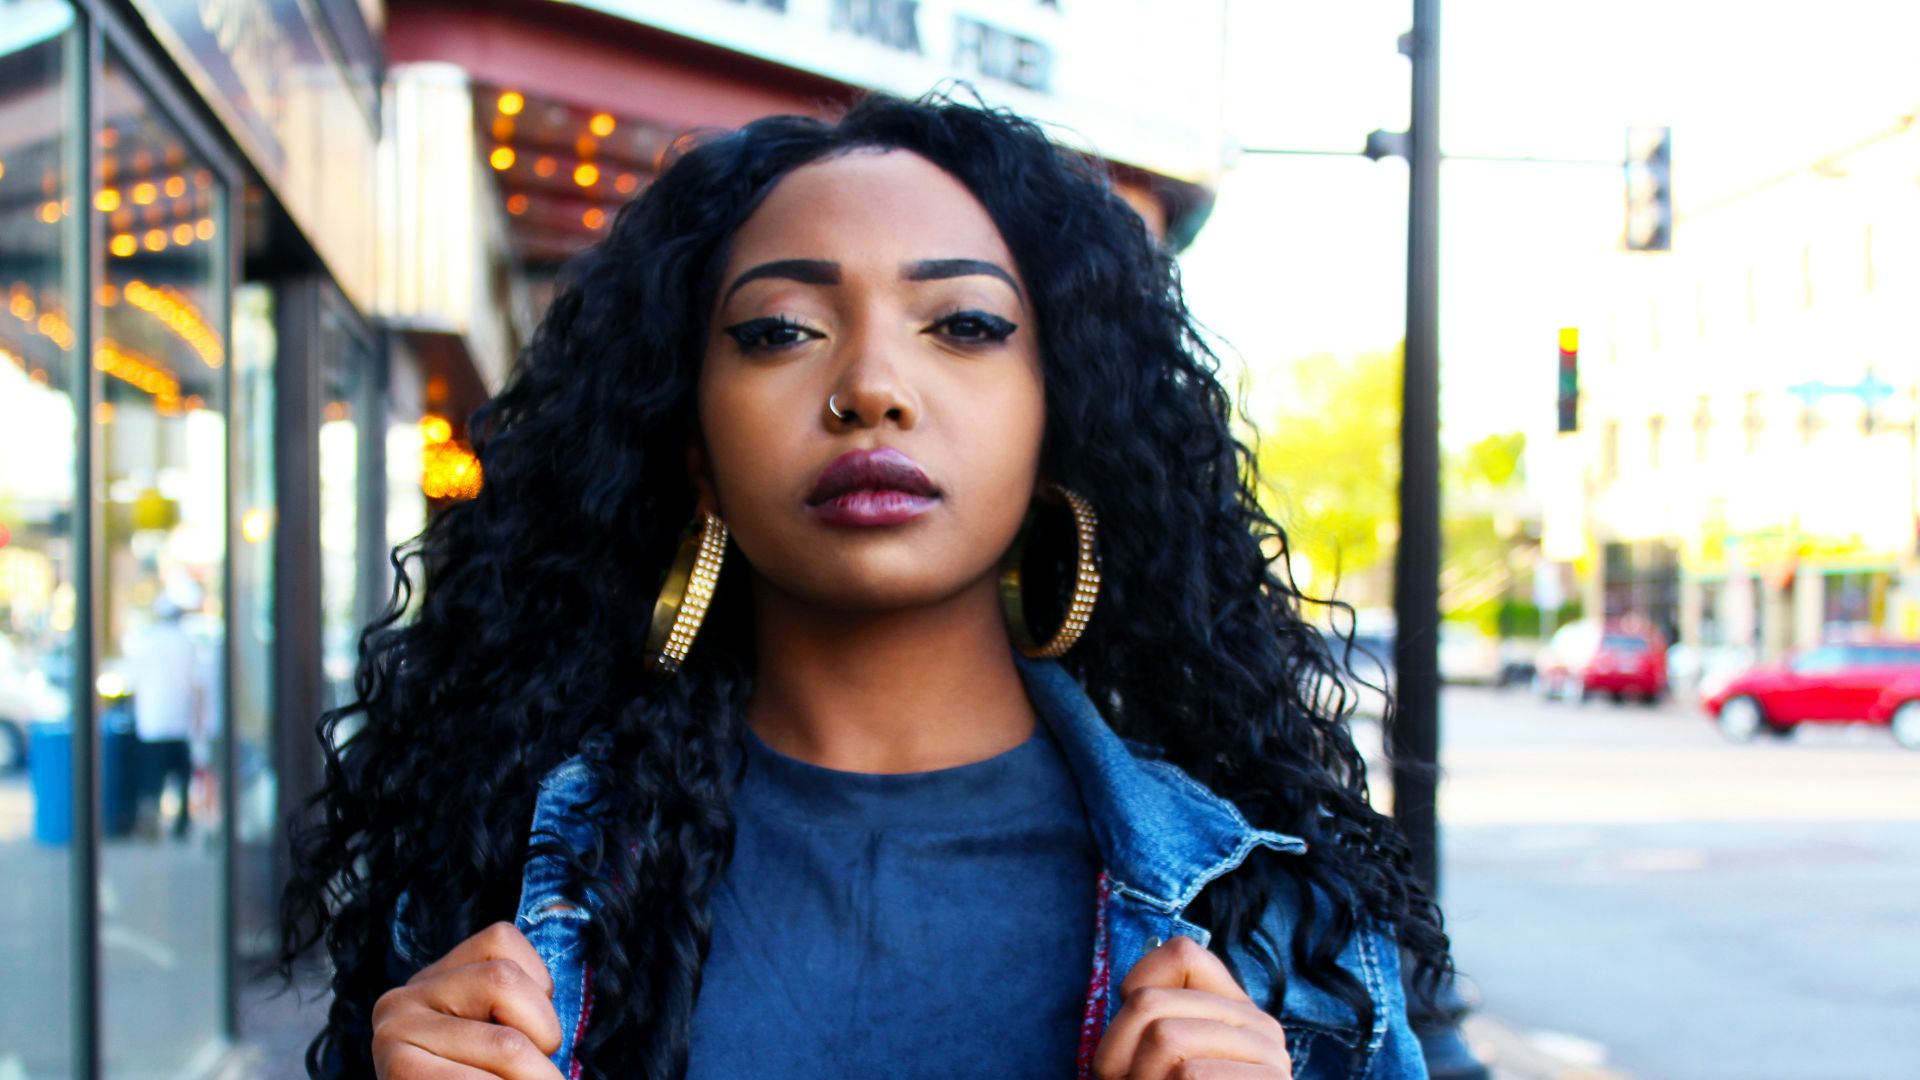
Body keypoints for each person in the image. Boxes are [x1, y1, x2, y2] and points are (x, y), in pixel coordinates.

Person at [278, 85, 1450, 1079]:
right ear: (692, 441)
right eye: (781, 330)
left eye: (967, 325)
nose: (872, 386)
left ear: (1061, 415)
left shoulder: (1272, 929)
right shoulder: (499, 886)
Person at [124, 593, 202, 841]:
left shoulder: (146, 642)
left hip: (153, 721)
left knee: (152, 776)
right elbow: (196, 684)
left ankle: (152, 822)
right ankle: (181, 823)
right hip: (179, 720)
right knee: (182, 775)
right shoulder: (185, 642)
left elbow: (133, 683)